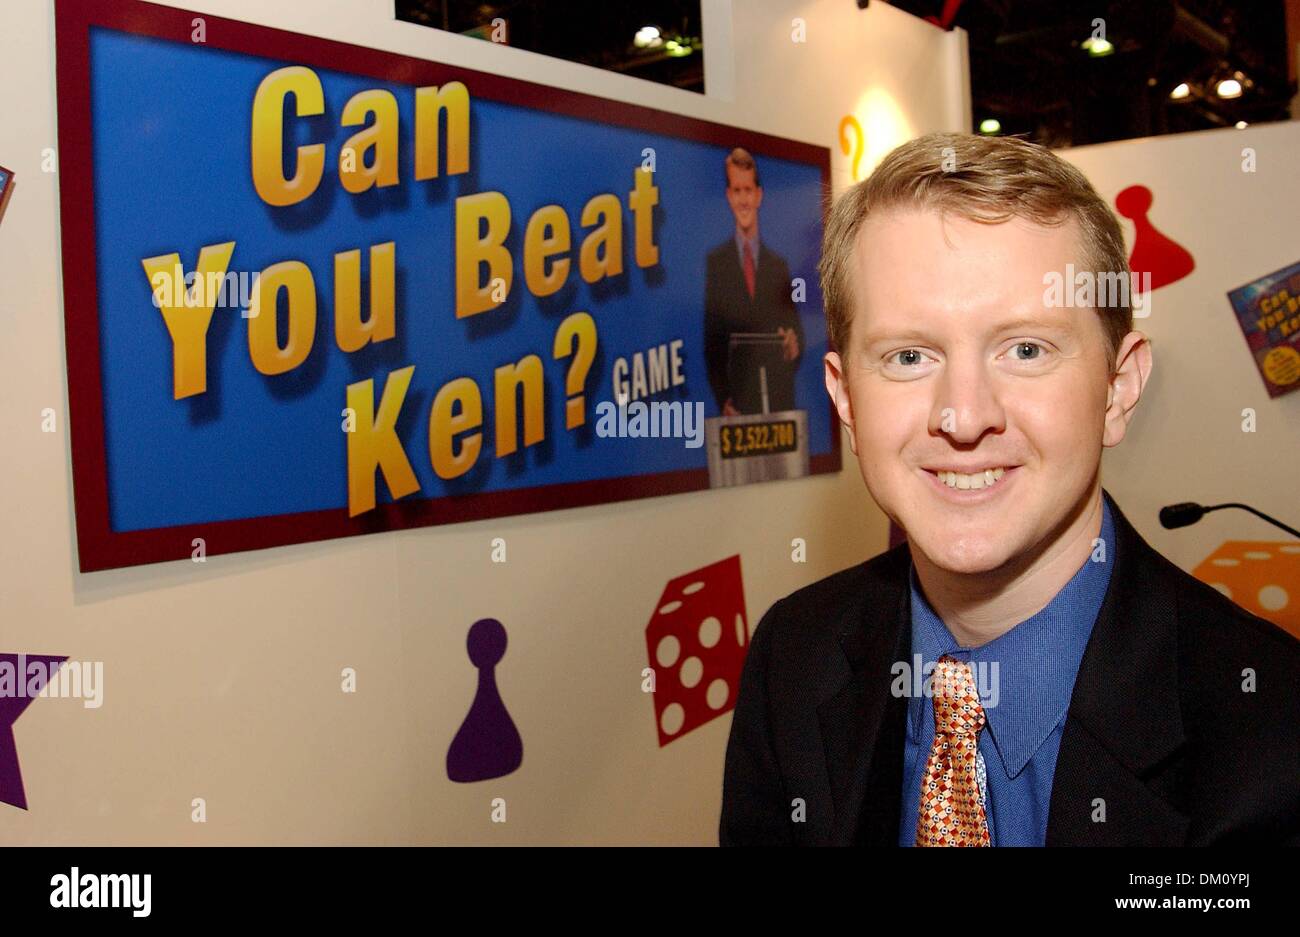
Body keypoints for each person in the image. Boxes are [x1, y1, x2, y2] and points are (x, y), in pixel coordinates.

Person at [719, 131, 1300, 846]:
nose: (964, 416)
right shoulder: (793, 659)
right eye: (908, 355)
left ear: (1118, 389)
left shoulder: (1274, 732)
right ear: (846, 401)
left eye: (1025, 349)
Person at [703, 148, 804, 416]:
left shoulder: (780, 265)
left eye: (748, 190)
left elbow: (798, 336)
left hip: (778, 407)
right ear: (728, 196)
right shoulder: (716, 264)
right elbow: (712, 345)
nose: (743, 199)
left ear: (758, 195)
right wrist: (723, 400)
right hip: (737, 409)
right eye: (737, 191)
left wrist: (794, 346)